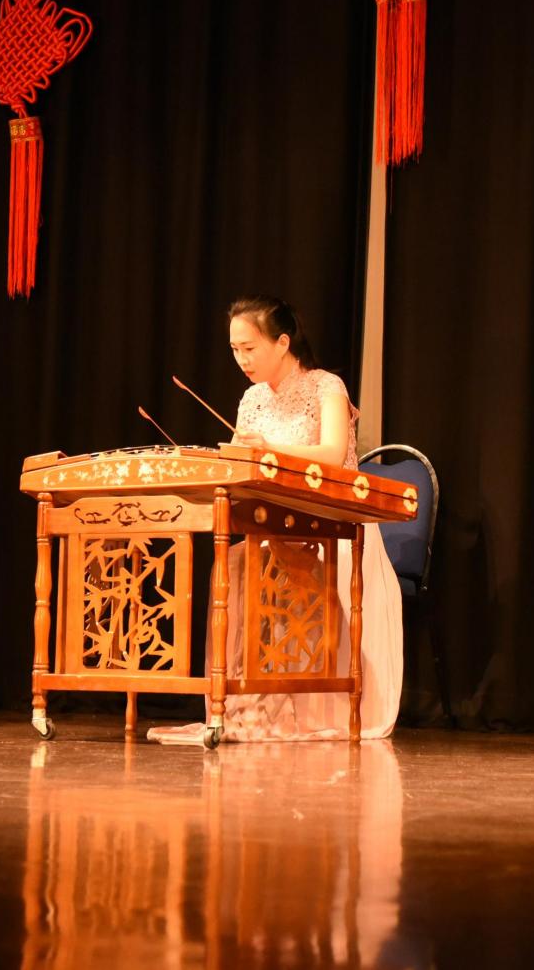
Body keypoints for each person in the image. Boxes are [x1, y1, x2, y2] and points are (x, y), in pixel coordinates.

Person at [148, 297, 403, 743]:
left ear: (283, 342)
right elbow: (242, 464)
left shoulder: (327, 387)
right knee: (237, 562)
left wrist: (268, 450)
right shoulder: (251, 398)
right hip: (272, 528)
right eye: (234, 350)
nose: (241, 359)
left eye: (249, 348)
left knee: (282, 568)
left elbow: (332, 457)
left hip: (332, 526)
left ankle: (317, 696)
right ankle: (240, 696)